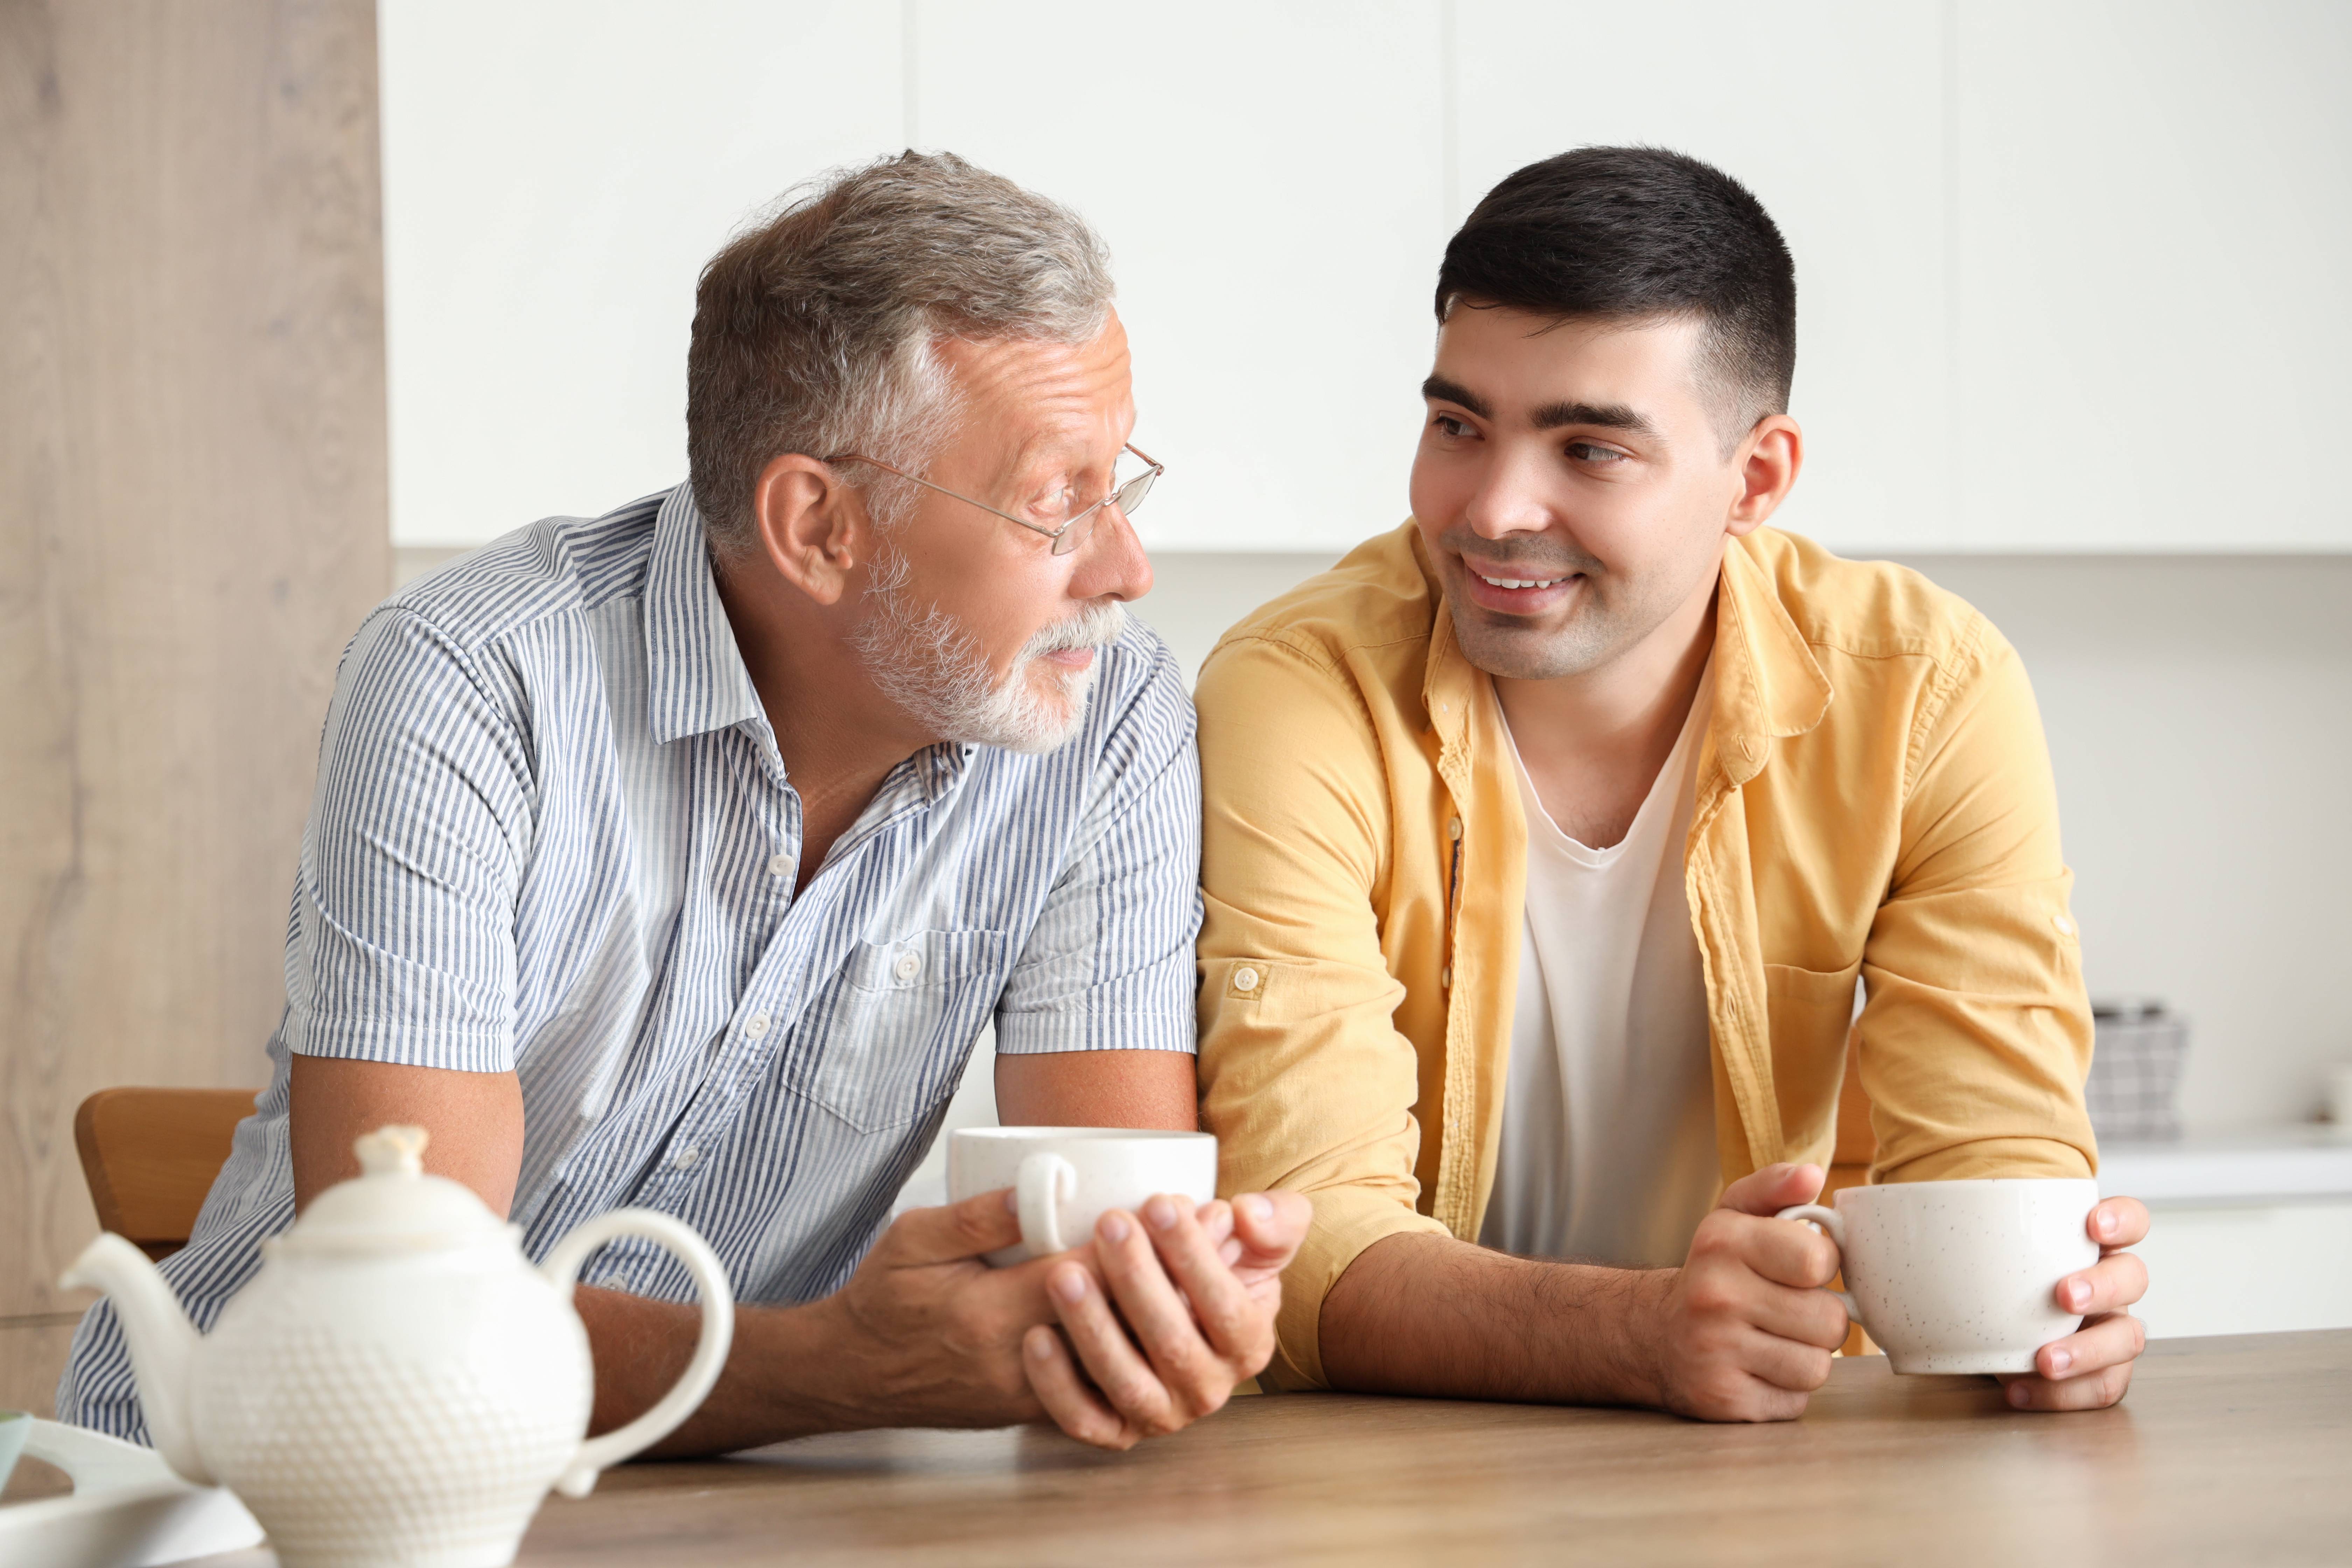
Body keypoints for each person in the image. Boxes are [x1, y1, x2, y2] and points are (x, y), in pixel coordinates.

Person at [61, 152, 1307, 1455]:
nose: (1127, 566)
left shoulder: (1105, 720)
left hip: (730, 1501)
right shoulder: (477, 681)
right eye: (1060, 499)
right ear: (818, 526)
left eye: (1123, 483)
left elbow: (1105, 1248)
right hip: (255, 1496)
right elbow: (408, 1327)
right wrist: (833, 1371)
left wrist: (1164, 1310)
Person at [1195, 146, 2148, 1420]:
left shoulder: (1926, 690)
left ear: (1755, 478)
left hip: (1785, 1454)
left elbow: (1990, 1152)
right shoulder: (1299, 687)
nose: (1492, 509)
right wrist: (1640, 1335)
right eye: (1458, 426)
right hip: (1384, 1470)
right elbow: (1292, 1241)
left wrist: (2046, 1320)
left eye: (1589, 449)